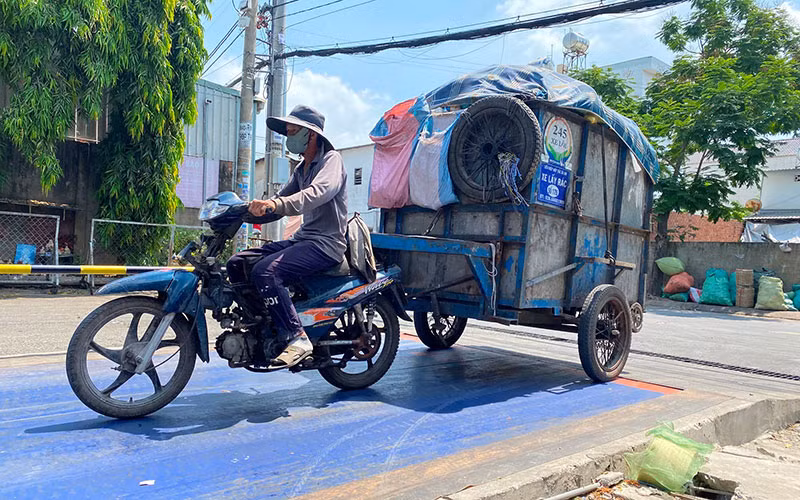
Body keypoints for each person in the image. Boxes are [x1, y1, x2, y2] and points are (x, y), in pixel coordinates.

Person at [226, 105, 348, 368]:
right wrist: (242, 212)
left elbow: (317, 193)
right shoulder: (302, 168)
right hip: (304, 240)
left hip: (326, 244)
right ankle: (263, 323)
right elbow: (278, 202)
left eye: (293, 132)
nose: (288, 137)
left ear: (311, 135)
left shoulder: (331, 161)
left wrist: (275, 205)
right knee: (237, 263)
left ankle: (297, 337)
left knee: (265, 272)